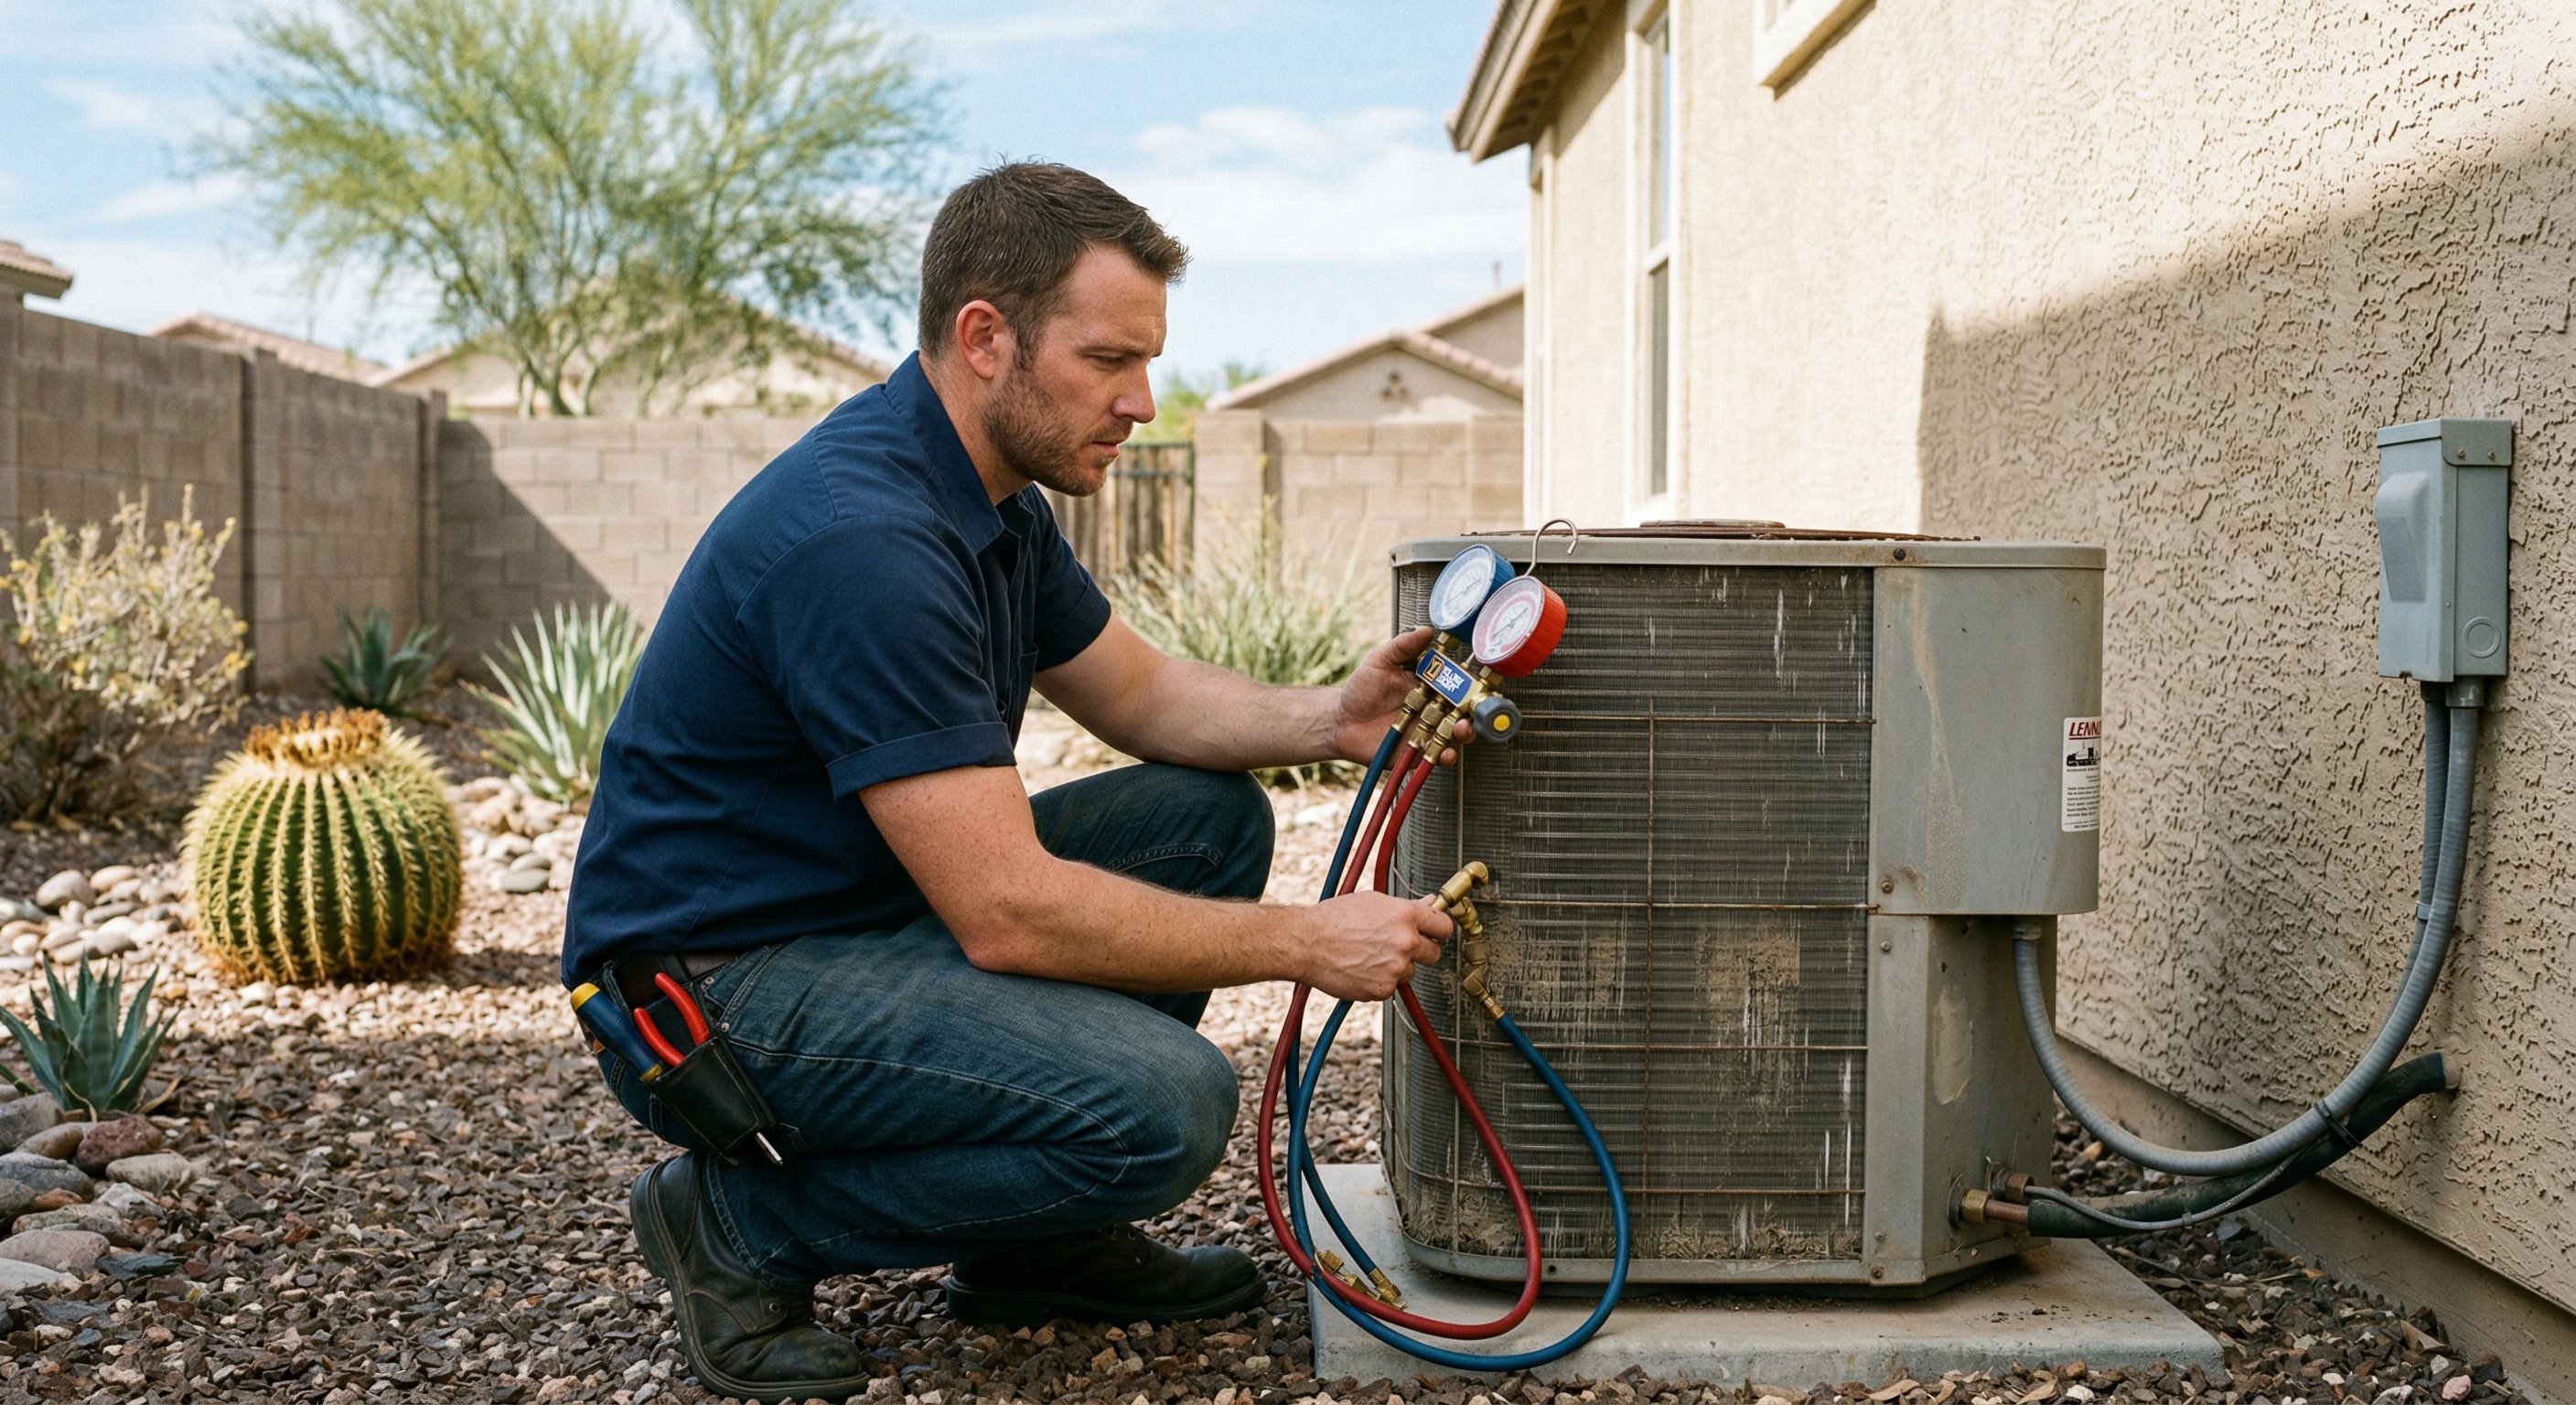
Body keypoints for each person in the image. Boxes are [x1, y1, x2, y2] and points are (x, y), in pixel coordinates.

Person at [563, 161, 1467, 1404]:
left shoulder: (990, 501)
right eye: (1108, 360)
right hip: (718, 995)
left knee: (1200, 822)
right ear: (985, 337)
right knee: (1168, 1110)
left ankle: (1032, 1246)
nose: (1144, 400)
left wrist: (1335, 717)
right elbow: (1007, 912)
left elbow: (1139, 695)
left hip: (849, 918)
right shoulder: (865, 541)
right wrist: (1307, 941)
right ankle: (739, 1227)